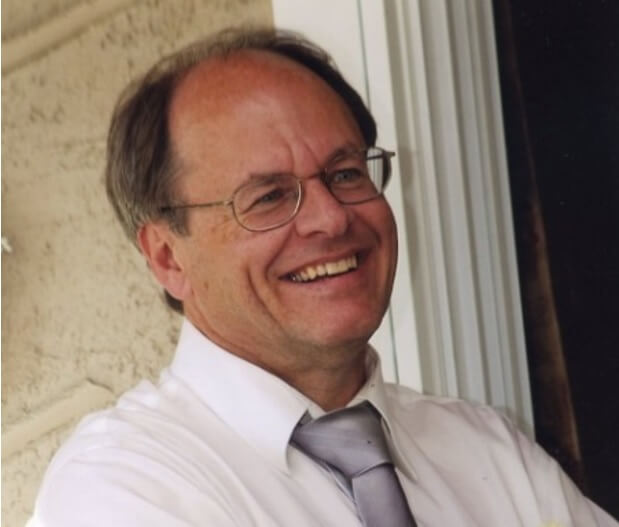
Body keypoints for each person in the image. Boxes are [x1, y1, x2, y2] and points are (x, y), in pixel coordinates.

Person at [29, 27, 617, 527]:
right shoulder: (125, 488)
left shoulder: (482, 447)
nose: (331, 218)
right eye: (268, 197)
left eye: (345, 172)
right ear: (167, 257)